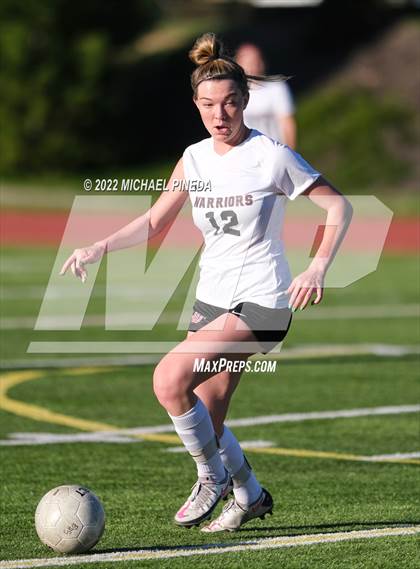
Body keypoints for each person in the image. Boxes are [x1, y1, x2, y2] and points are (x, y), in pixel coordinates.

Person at [60, 32, 352, 533]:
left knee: (168, 379)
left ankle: (209, 478)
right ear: (196, 105)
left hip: (263, 301)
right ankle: (250, 494)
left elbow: (338, 206)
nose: (221, 115)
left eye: (231, 103)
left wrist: (317, 266)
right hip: (212, 299)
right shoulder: (193, 158)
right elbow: (154, 222)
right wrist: (98, 247)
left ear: (246, 101)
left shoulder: (271, 155)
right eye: (209, 105)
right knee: (209, 421)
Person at [236, 42, 297, 148]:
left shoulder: (277, 88)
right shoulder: (234, 93)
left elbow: (287, 123)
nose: (252, 66)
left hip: (276, 150)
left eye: (255, 61)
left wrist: (290, 151)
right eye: (247, 63)